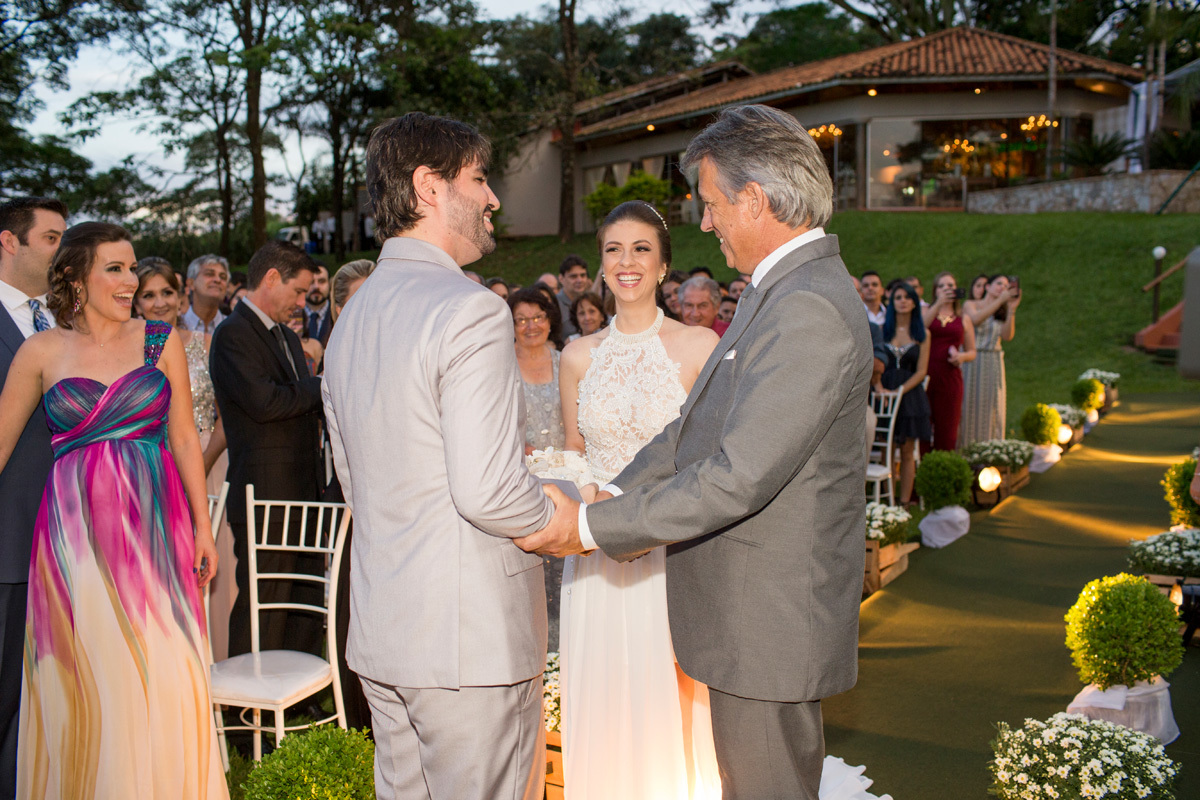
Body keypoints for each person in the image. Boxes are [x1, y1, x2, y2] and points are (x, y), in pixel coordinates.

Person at [517, 104, 873, 800]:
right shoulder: (783, 293)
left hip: (769, 623)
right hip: (748, 614)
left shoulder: (805, 307)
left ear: (754, 199)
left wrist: (586, 529)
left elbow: (739, 474)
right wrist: (609, 495)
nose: (706, 223)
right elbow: (691, 429)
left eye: (712, 205)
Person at [321, 112, 554, 800]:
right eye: (479, 179)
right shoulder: (470, 309)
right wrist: (566, 519)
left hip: (384, 635)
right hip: (469, 644)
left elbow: (355, 486)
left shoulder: (351, 318)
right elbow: (487, 491)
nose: (493, 199)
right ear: (429, 187)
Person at [0, 222, 225, 798]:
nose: (131, 281)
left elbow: (183, 442)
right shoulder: (41, 350)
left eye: (133, 268)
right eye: (116, 269)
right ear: (76, 277)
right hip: (72, 541)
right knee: (88, 675)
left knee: (165, 669)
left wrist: (203, 529)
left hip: (153, 529)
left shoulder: (159, 340)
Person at [558, 200, 721, 799]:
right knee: (602, 682)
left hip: (670, 545)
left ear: (663, 265)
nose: (626, 262)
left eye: (641, 249)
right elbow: (574, 450)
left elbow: (711, 459)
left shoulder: (699, 347)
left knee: (669, 681)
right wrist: (580, 490)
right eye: (613, 250)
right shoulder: (576, 357)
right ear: (601, 266)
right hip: (597, 547)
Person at [209, 240, 325, 658]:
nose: (300, 302)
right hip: (265, 494)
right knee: (265, 605)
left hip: (304, 490)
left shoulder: (288, 339)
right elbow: (266, 403)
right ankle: (246, 715)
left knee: (305, 600)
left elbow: (294, 400)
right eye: (297, 291)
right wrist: (324, 386)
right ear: (272, 278)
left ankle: (298, 704)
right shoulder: (232, 334)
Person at [134, 259, 236, 659]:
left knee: (214, 571)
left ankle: (219, 667)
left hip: (207, 460)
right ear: (135, 300)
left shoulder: (207, 343)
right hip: (151, 465)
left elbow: (229, 414)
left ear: (181, 295)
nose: (160, 303)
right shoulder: (127, 348)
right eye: (149, 295)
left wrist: (205, 461)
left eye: (167, 293)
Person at [0, 196, 66, 799]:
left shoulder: (63, 325)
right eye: (50, 238)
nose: (60, 250)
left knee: (38, 707)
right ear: (8, 242)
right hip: (6, 542)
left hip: (65, 545)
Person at [324, 258, 377, 733]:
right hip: (353, 503)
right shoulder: (340, 355)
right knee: (353, 617)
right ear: (338, 309)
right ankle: (359, 724)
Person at [881, 283, 932, 506]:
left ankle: (904, 501)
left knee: (907, 449)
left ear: (914, 301)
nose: (902, 301)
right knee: (887, 447)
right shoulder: (883, 331)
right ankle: (888, 500)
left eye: (907, 297)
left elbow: (922, 371)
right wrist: (882, 389)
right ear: (892, 302)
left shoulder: (923, 334)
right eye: (898, 297)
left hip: (910, 396)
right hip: (885, 395)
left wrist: (901, 390)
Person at [960, 273, 1020, 446]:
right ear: (988, 287)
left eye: (1006, 285)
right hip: (973, 361)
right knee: (969, 406)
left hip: (993, 362)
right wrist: (1000, 300)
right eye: (999, 284)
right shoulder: (971, 304)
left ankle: (991, 449)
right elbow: (975, 320)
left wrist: (1012, 308)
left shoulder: (1001, 309)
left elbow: (1008, 335)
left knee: (993, 407)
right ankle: (968, 450)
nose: (1003, 288)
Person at [921, 271, 976, 452]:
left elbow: (972, 351)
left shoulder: (963, 318)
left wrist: (961, 357)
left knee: (947, 431)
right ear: (935, 290)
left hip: (950, 378)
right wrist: (938, 304)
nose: (947, 289)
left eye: (951, 286)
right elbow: (920, 329)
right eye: (942, 286)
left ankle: (943, 470)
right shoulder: (927, 311)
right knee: (923, 428)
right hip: (926, 376)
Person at [510, 288, 565, 452]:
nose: (531, 326)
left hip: (569, 464)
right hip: (520, 465)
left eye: (538, 317)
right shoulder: (502, 368)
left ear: (549, 321)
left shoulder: (565, 362)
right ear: (511, 325)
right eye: (521, 320)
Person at [181, 254, 230, 334]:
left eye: (223, 277)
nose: (218, 280)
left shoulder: (233, 328)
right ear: (191, 283)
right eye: (209, 274)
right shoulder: (177, 326)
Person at [557, 255, 591, 338]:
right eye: (573, 276)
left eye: (583, 275)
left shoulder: (591, 302)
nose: (579, 280)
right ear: (561, 279)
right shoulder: (555, 305)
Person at [305, 263, 333, 346]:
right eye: (311, 282)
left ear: (329, 284)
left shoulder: (339, 315)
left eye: (322, 281)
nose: (316, 286)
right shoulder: (291, 317)